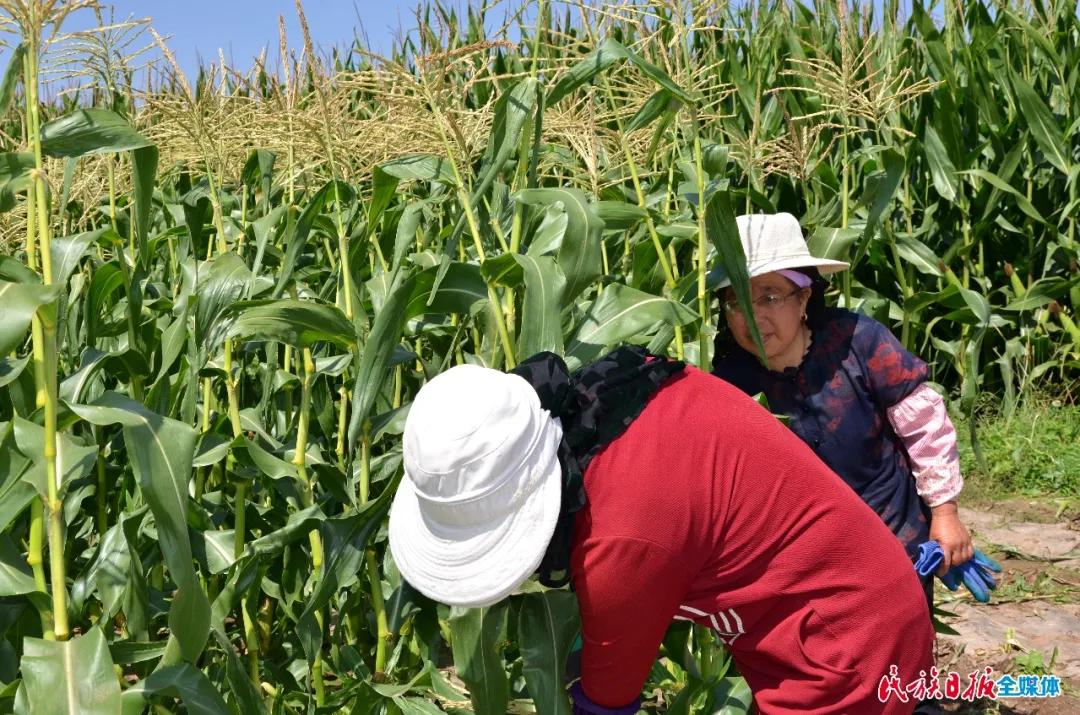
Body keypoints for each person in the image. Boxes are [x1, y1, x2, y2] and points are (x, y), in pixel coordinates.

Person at [388, 347, 934, 714]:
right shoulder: (615, 405)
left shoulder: (620, 539)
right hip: (843, 612)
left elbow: (607, 703)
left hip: (847, 647)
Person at [710, 212, 975, 604]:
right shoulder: (729, 381)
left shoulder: (858, 342)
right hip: (802, 563)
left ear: (804, 297)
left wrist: (945, 513)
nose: (754, 316)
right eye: (737, 302)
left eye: (769, 296)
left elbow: (923, 423)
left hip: (895, 537)